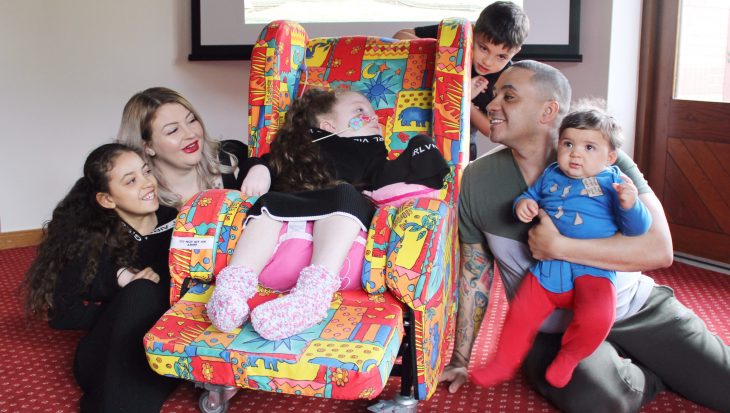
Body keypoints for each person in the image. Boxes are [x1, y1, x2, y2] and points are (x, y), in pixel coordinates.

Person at [442, 59, 730, 413]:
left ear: (548, 111)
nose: (491, 104)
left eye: (509, 96)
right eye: (495, 93)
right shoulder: (476, 180)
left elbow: (660, 248)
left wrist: (561, 247)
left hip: (633, 307)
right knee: (599, 399)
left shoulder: (604, 157)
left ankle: (652, 356)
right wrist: (460, 358)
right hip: (552, 330)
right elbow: (475, 276)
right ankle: (651, 373)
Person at [205, 87, 450, 340]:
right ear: (328, 125)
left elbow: (417, 179)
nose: (374, 117)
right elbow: (267, 166)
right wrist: (259, 168)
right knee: (267, 206)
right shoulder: (296, 156)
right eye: (360, 110)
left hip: (340, 247)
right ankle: (231, 290)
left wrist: (422, 144)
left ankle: (311, 298)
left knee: (342, 193)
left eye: (372, 112)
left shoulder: (374, 157)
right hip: (280, 236)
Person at [470, 103, 652, 390]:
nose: (575, 153)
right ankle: (502, 363)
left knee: (598, 318)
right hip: (549, 270)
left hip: (594, 271)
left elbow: (638, 229)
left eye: (589, 147)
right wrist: (524, 204)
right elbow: (531, 194)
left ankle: (569, 357)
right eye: (568, 144)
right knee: (519, 314)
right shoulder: (552, 173)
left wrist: (631, 205)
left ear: (611, 157)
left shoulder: (614, 181)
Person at [22, 143, 179, 413]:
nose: (147, 183)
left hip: (157, 348)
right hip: (105, 354)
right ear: (107, 199)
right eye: (131, 181)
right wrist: (120, 297)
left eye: (146, 172)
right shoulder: (93, 239)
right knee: (141, 292)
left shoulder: (180, 222)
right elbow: (63, 315)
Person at [393, 1, 529, 160]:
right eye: (483, 48)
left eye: (501, 57)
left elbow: (490, 129)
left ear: (516, 52)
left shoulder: (506, 78)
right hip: (415, 134)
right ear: (472, 30)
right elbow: (399, 36)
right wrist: (445, 53)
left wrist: (464, 100)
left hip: (459, 149)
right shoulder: (456, 37)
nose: (488, 62)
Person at [117, 86, 269, 208]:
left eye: (191, 120)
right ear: (147, 146)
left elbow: (280, 164)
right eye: (173, 130)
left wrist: (261, 168)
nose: (191, 134)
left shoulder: (232, 155)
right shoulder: (143, 199)